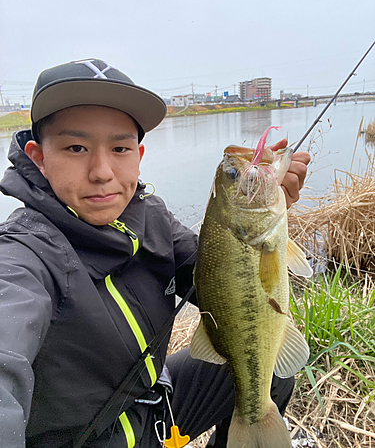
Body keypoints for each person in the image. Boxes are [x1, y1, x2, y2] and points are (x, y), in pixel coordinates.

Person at [0, 59, 310, 448]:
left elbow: (219, 283)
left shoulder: (150, 217)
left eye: (119, 147)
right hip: (94, 437)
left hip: (156, 410)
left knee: (269, 375)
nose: (102, 171)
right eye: (76, 147)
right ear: (38, 157)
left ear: (139, 154)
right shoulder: (22, 258)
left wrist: (267, 222)